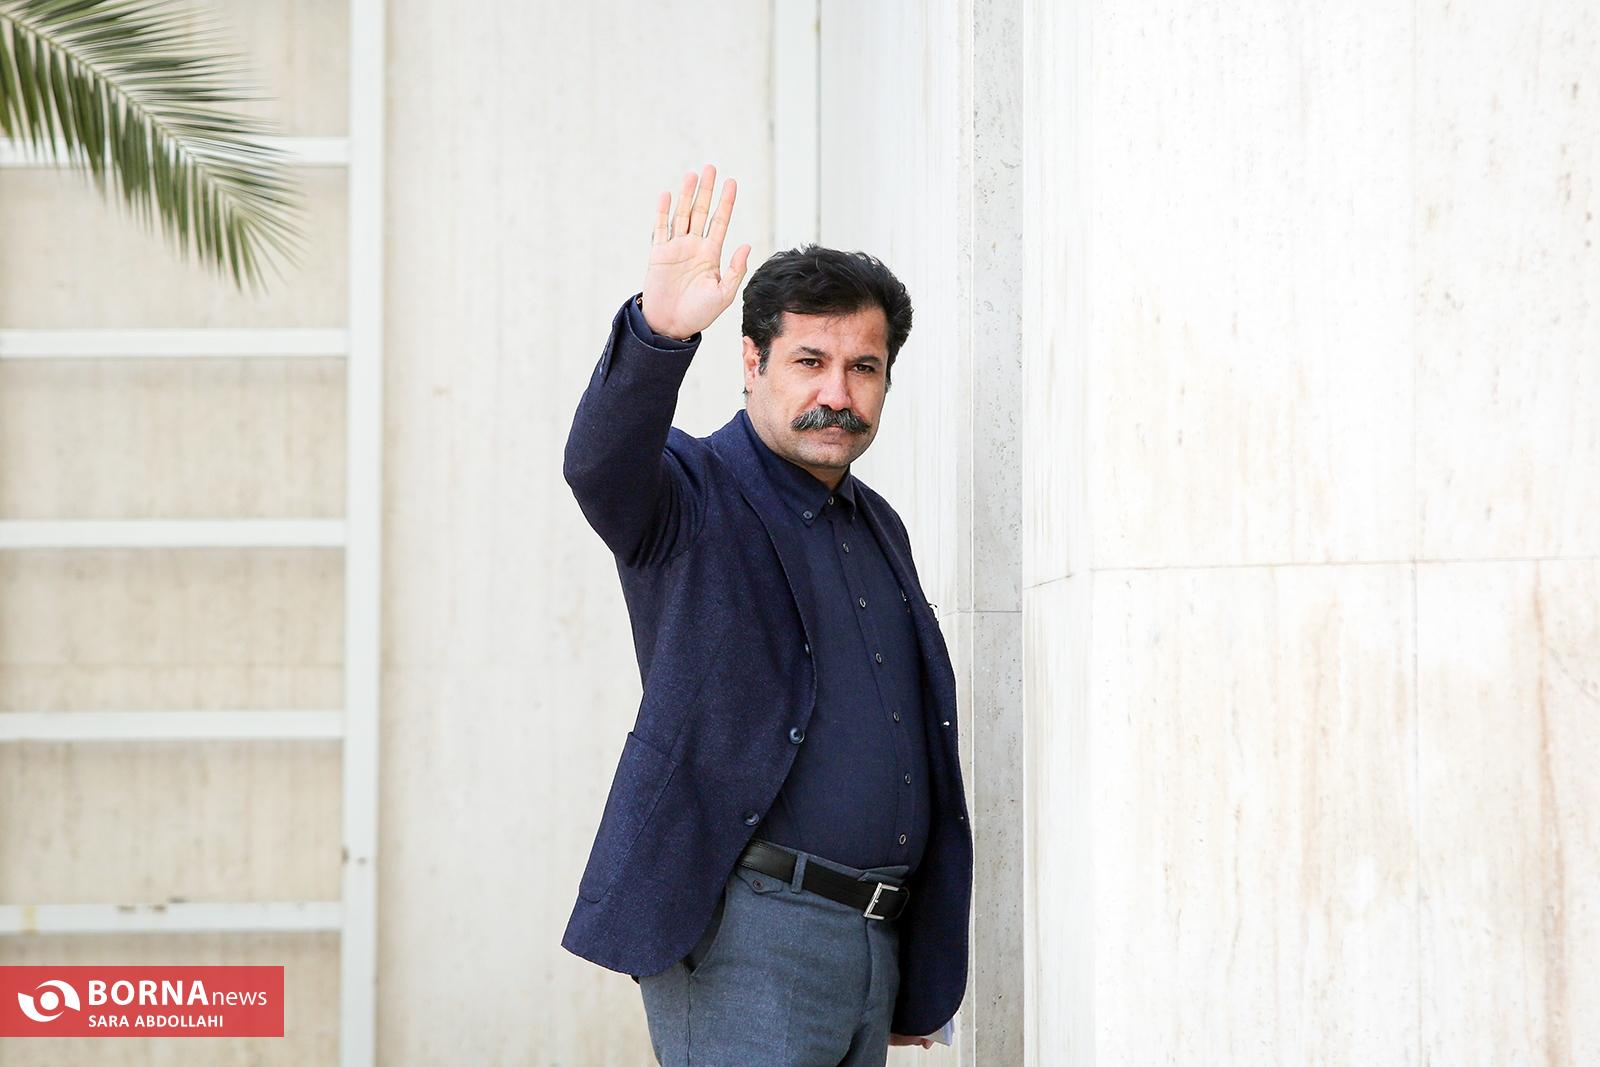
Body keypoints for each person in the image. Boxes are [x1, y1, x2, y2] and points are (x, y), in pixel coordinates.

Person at [560, 162, 972, 1065]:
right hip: (745, 938)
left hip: (873, 942)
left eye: (864, 368)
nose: (838, 394)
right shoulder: (690, 493)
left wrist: (914, 959)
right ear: (753, 362)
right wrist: (660, 332)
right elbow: (599, 466)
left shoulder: (878, 524)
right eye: (810, 362)